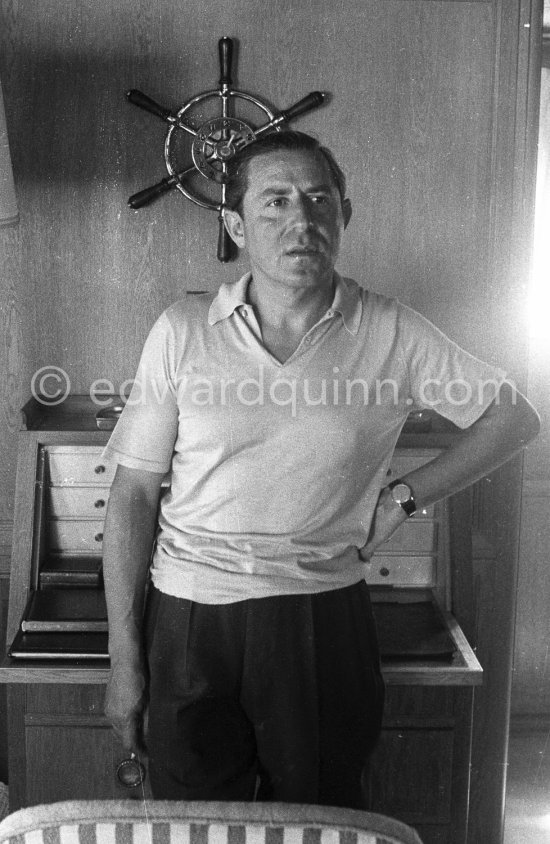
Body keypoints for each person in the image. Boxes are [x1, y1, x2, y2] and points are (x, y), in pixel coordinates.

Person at [102, 130, 539, 807]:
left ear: (344, 216)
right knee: (192, 824)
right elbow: (132, 495)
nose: (301, 220)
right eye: (274, 202)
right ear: (236, 224)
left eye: (318, 200)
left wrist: (404, 498)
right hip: (188, 619)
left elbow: (514, 419)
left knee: (319, 820)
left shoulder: (391, 330)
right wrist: (125, 659)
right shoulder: (183, 329)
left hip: (320, 617)